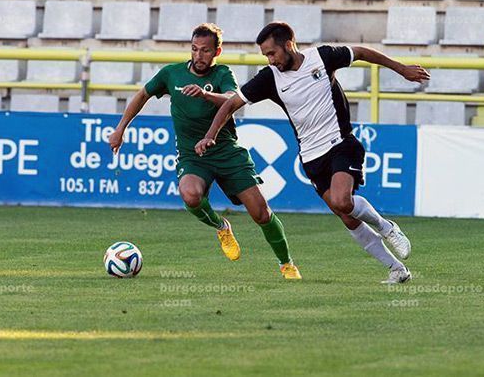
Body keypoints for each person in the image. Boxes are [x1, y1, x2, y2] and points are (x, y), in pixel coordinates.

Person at [195, 22, 431, 284]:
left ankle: (387, 227)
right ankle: (397, 269)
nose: (270, 60)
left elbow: (362, 52)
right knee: (346, 217)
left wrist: (402, 69)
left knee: (343, 201)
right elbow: (231, 103)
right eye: (265, 55)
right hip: (311, 156)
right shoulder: (270, 77)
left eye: (272, 53)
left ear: (288, 45)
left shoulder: (322, 57)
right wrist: (210, 135)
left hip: (341, 143)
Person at [109, 23, 302, 280]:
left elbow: (234, 100)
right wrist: (120, 129)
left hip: (226, 151)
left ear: (217, 52)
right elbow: (143, 95)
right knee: (190, 194)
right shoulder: (172, 74)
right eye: (195, 49)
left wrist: (204, 95)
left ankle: (286, 263)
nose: (199, 55)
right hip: (193, 155)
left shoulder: (222, 74)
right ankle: (221, 226)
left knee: (260, 212)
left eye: (205, 51)